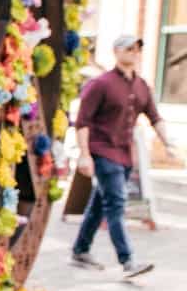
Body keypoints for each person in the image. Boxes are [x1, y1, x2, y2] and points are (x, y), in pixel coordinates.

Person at [71, 35, 178, 278]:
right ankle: (128, 260)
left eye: (138, 49)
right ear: (116, 51)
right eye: (129, 48)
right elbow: (82, 122)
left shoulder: (141, 86)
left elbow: (154, 117)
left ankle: (80, 249)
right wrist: (84, 155)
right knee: (117, 204)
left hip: (125, 156)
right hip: (103, 152)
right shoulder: (100, 84)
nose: (134, 53)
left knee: (100, 204)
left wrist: (167, 142)